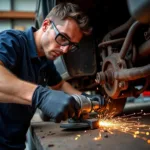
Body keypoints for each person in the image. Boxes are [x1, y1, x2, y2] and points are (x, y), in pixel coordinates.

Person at [0, 2, 104, 150]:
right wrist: (40, 96)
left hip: (14, 144)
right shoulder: (11, 41)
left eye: (72, 45)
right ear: (46, 25)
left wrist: (85, 99)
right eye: (63, 38)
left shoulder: (45, 61)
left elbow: (60, 85)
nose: (65, 49)